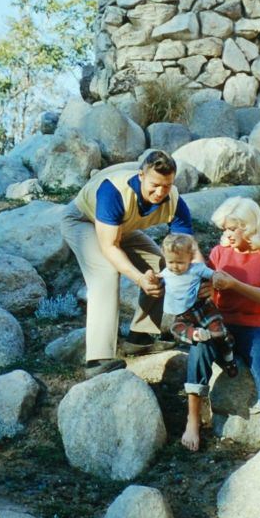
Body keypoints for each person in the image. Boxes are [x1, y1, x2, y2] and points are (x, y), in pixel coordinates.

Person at [181, 196, 260, 451]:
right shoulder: (219, 252)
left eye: (231, 228)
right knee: (200, 347)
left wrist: (234, 284)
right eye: (225, 228)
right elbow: (203, 290)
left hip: (257, 326)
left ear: (248, 228)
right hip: (221, 324)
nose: (226, 234)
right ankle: (192, 421)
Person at [61, 150, 193, 378]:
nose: (160, 192)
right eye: (154, 185)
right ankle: (97, 360)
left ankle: (139, 338)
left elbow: (184, 247)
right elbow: (110, 247)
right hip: (82, 221)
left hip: (119, 227)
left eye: (166, 185)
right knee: (106, 272)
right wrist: (140, 278)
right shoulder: (113, 191)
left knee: (163, 266)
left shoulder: (174, 201)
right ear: (141, 176)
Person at [159, 233, 237, 376]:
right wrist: (151, 279)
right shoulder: (165, 273)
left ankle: (229, 359)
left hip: (203, 309)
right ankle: (196, 334)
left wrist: (216, 278)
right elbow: (157, 282)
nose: (175, 266)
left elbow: (213, 274)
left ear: (190, 257)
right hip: (184, 315)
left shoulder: (197, 269)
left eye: (180, 262)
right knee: (176, 328)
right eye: (170, 262)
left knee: (219, 333)